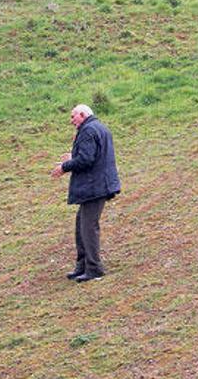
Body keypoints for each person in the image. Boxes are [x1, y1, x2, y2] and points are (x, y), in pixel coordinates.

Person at [51, 104, 121, 283]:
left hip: (94, 187)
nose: (71, 120)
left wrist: (64, 167)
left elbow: (86, 159)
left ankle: (94, 269)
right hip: (98, 185)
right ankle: (82, 266)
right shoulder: (99, 127)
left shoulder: (88, 130)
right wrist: (73, 156)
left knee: (88, 228)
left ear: (82, 115)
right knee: (80, 225)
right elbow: (92, 155)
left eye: (73, 117)